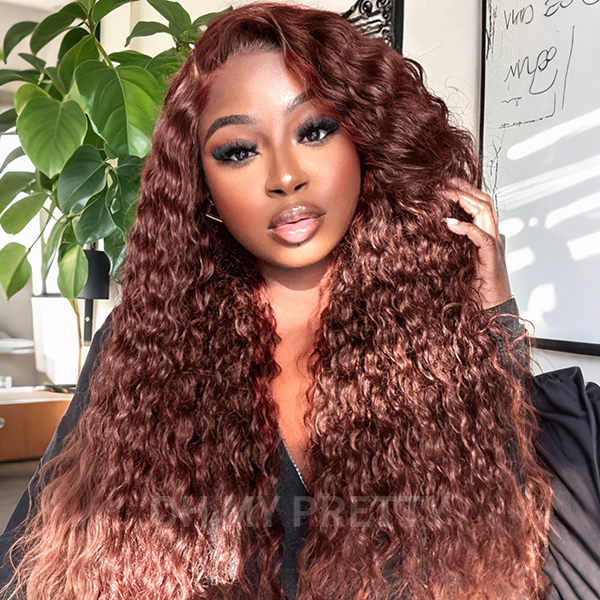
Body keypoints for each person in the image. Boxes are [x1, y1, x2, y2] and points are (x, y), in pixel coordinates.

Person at [0, 3, 598, 600]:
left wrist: (493, 318)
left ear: (366, 142)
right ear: (201, 186)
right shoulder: (144, 348)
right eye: (239, 150)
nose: (285, 176)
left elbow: (521, 525)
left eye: (313, 131)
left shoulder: (440, 340)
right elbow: (29, 566)